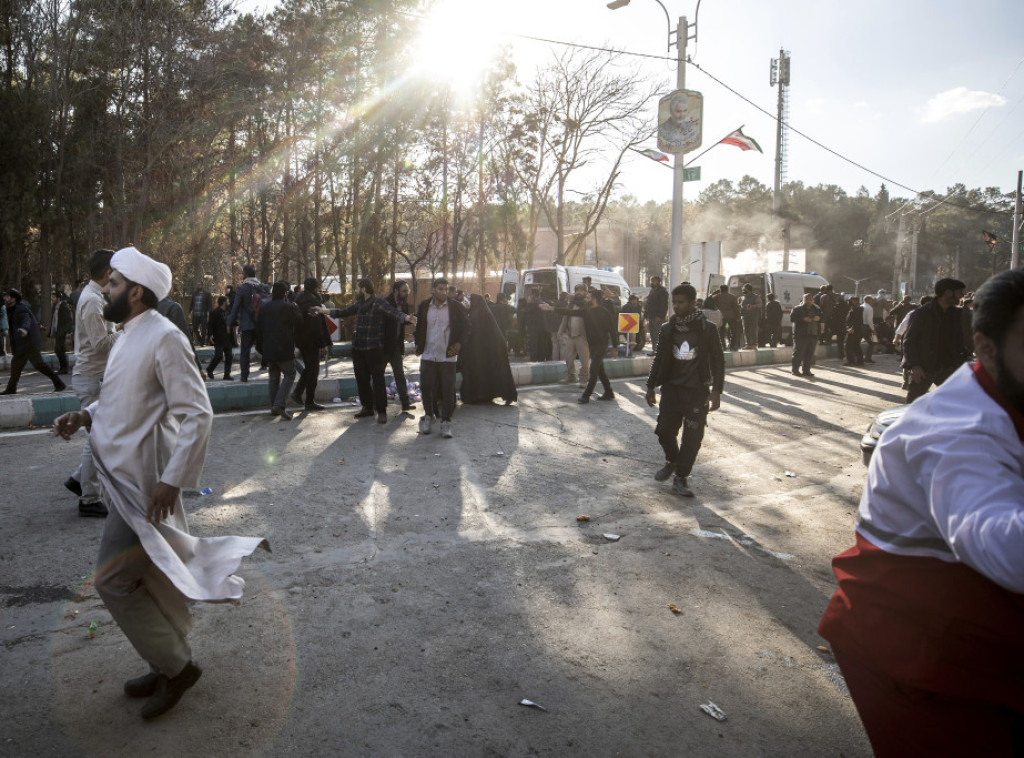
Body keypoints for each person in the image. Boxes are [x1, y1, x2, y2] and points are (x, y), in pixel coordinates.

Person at [52, 246, 266, 721]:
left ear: (136, 291)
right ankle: (164, 659)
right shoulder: (127, 335)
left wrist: (173, 481)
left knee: (112, 580)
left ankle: (177, 666)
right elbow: (123, 402)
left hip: (146, 487)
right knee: (151, 577)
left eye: (111, 283)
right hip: (123, 480)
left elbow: (197, 413)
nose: (104, 289)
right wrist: (85, 414)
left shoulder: (165, 337)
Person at [818, 268, 1024, 757]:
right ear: (989, 348)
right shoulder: (956, 431)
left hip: (975, 637)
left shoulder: (1000, 390)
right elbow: (999, 542)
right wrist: (916, 370)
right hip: (919, 656)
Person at [644, 283, 724, 498]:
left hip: (697, 393)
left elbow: (718, 360)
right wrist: (650, 386)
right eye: (674, 302)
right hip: (671, 390)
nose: (676, 306)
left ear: (692, 303)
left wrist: (716, 390)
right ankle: (673, 460)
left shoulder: (707, 329)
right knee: (663, 431)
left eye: (681, 302)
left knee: (692, 438)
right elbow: (659, 359)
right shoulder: (668, 329)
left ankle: (681, 477)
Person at [318, 278, 416, 424]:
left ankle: (382, 411)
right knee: (362, 379)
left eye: (357, 288)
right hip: (359, 348)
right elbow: (342, 312)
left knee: (378, 380)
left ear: (364, 289)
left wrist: (407, 317)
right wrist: (322, 311)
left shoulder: (379, 303)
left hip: (374, 349)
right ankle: (367, 407)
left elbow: (394, 313)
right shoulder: (360, 304)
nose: (356, 291)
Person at [65, 249, 118, 517]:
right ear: (109, 272)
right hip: (91, 378)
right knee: (98, 441)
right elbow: (100, 344)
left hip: (95, 376)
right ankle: (88, 499)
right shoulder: (93, 301)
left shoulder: (95, 297)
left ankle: (78, 479)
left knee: (97, 438)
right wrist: (127, 329)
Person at [414, 277, 467, 438]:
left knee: (447, 391)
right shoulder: (424, 306)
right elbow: (420, 326)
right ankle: (429, 417)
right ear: (433, 290)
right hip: (429, 354)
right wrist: (418, 344)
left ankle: (446, 423)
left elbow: (467, 326)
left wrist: (459, 344)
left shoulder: (455, 307)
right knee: (426, 387)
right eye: (440, 289)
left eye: (445, 289)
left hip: (447, 356)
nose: (444, 292)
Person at [541, 290, 615, 403]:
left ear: (594, 299)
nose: (586, 299)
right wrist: (552, 308)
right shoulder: (586, 311)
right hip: (592, 344)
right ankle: (609, 392)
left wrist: (615, 347)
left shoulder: (604, 312)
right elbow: (570, 312)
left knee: (594, 370)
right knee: (600, 371)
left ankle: (586, 396)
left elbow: (612, 330)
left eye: (589, 297)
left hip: (602, 345)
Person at [902, 278, 968, 403]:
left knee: (957, 402)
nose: (962, 296)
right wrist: (915, 366)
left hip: (949, 366)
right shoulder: (922, 313)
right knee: (914, 404)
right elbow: (909, 341)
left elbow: (959, 341)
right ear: (948, 293)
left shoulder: (956, 314)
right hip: (925, 367)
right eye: (960, 292)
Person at [2, 288, 66, 395]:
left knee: (24, 365)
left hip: (28, 343)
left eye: (7, 296)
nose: (5, 298)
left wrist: (24, 329)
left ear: (13, 299)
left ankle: (11, 389)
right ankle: (59, 383)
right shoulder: (13, 308)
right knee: (32, 365)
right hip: (25, 344)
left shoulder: (20, 309)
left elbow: (25, 320)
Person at [458, 294, 517, 405]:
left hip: (490, 350)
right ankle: (486, 395)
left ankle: (479, 396)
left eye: (467, 301)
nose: (465, 303)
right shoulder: (480, 313)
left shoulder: (476, 315)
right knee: (491, 372)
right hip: (491, 350)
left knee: (485, 371)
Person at [255, 281, 302, 420]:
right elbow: (299, 321)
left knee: (274, 378)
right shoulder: (288, 307)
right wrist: (296, 308)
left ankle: (273, 407)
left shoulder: (264, 307)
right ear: (285, 293)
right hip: (284, 348)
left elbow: (258, 328)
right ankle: (279, 404)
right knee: (290, 374)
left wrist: (260, 347)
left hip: (268, 348)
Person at [290, 278, 331, 411]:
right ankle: (309, 400)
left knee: (309, 368)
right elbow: (317, 324)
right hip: (312, 340)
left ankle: (298, 393)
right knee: (313, 370)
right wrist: (323, 343)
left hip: (301, 340)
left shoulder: (298, 298)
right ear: (314, 288)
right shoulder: (313, 301)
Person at [226, 264, 265, 382]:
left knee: (245, 351)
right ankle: (275, 366)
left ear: (246, 274)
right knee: (264, 347)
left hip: (247, 324)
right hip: (261, 323)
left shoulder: (242, 288)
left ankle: (244, 375)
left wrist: (229, 322)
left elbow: (236, 306)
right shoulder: (262, 287)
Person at [381, 280, 415, 412]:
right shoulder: (385, 303)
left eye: (408, 290)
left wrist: (406, 334)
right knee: (379, 375)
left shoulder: (404, 304)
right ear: (395, 291)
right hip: (383, 346)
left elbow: (401, 323)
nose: (407, 293)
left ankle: (405, 403)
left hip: (396, 346)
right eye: (404, 291)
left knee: (399, 375)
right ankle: (377, 404)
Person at [558, 284, 590, 386]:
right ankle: (571, 376)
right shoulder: (571, 304)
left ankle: (584, 379)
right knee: (568, 357)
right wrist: (560, 331)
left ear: (585, 292)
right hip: (571, 335)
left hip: (583, 336)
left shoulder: (587, 304)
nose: (579, 292)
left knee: (584, 360)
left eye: (581, 290)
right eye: (577, 290)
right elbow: (565, 318)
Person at [790, 293, 822, 376]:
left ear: (813, 300)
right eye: (806, 299)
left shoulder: (816, 309)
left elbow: (822, 317)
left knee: (809, 354)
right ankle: (795, 370)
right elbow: (792, 318)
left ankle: (806, 370)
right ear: (803, 300)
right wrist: (803, 319)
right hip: (801, 335)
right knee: (798, 353)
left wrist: (819, 318)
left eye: (810, 299)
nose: (808, 301)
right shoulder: (797, 309)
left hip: (813, 334)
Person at [205, 296, 233, 381]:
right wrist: (210, 335)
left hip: (227, 338)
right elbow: (210, 324)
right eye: (227, 301)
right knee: (219, 355)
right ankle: (210, 369)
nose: (229, 302)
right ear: (224, 302)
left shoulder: (229, 311)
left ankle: (227, 375)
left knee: (229, 356)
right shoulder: (215, 312)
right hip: (218, 337)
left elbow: (232, 321)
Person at [49, 291, 74, 374]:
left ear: (58, 298)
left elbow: (69, 321)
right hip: (57, 331)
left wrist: (63, 331)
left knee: (58, 349)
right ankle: (63, 368)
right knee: (60, 350)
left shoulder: (63, 307)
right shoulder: (55, 307)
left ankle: (64, 368)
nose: (52, 299)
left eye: (53, 297)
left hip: (61, 332)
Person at [645, 276, 669, 354]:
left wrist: (660, 316)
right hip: (651, 316)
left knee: (657, 333)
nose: (652, 282)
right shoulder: (652, 291)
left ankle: (659, 350)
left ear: (658, 282)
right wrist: (646, 315)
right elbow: (648, 303)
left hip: (657, 317)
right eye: (651, 281)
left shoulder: (662, 291)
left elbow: (664, 305)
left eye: (654, 281)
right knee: (652, 334)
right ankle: (654, 349)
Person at [714, 284, 740, 351]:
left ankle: (723, 346)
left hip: (721, 317)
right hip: (732, 317)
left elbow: (713, 307)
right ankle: (732, 346)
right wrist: (738, 317)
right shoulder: (732, 297)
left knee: (721, 332)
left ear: (720, 289)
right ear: (727, 289)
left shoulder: (716, 297)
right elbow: (736, 308)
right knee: (734, 332)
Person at [739, 283, 762, 349]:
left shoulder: (756, 296)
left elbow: (760, 304)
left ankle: (753, 344)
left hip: (753, 316)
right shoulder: (742, 297)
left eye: (744, 289)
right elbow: (741, 305)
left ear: (749, 289)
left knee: (752, 330)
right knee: (746, 330)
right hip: (744, 316)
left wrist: (753, 306)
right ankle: (748, 344)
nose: (743, 290)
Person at [844, 296, 865, 366]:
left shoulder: (856, 309)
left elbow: (856, 320)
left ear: (854, 301)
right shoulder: (858, 308)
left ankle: (850, 361)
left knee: (848, 346)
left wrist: (852, 328)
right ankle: (860, 361)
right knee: (856, 346)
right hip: (857, 330)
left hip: (854, 330)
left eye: (850, 301)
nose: (848, 302)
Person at [861, 295, 877, 364]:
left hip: (859, 326)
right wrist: (873, 329)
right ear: (868, 300)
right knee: (871, 343)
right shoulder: (869, 308)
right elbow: (869, 320)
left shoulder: (861, 306)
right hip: (865, 327)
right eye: (871, 300)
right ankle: (868, 358)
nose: (873, 301)